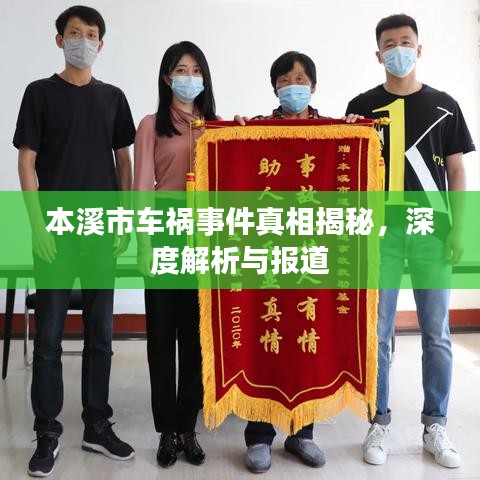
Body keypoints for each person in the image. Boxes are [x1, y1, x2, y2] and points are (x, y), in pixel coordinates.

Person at [346, 13, 475, 469]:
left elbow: (457, 169)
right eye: (389, 43)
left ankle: (435, 424)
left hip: (431, 230)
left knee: (437, 333)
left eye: (405, 41)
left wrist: (459, 228)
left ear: (418, 49)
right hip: (380, 232)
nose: (398, 49)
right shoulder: (361, 107)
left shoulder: (445, 105)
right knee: (377, 333)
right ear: (378, 54)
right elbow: (347, 169)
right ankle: (378, 422)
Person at [13, 5, 136, 477]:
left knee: (100, 335)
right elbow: (27, 161)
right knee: (48, 336)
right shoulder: (40, 93)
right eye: (73, 32)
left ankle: (97, 426)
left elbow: (123, 161)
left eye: (90, 34)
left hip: (101, 230)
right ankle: (47, 433)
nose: (82, 40)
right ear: (59, 40)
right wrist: (37, 226)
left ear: (101, 44)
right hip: (56, 231)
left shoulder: (113, 98)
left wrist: (125, 218)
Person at [235, 51, 360, 473]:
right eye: (286, 80)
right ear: (274, 87)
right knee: (266, 340)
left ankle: (302, 434)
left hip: (313, 255)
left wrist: (358, 134)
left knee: (309, 342)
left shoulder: (333, 131)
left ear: (314, 86)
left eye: (301, 79)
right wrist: (233, 134)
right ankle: (259, 437)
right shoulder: (258, 129)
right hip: (269, 254)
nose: (294, 86)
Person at [133, 41, 217, 468]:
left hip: (205, 239)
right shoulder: (151, 124)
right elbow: (142, 187)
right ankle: (166, 430)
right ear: (167, 77)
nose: (189, 77)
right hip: (165, 235)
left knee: (198, 340)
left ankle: (188, 427)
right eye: (181, 70)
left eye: (196, 70)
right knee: (162, 338)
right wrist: (144, 242)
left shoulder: (216, 127)